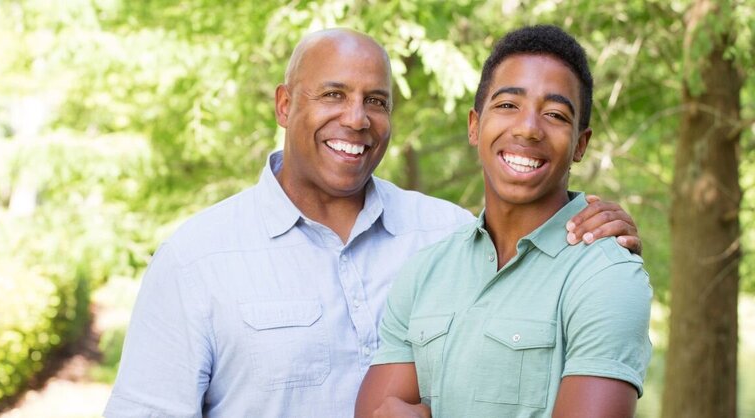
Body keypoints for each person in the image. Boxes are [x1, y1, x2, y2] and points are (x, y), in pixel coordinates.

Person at [104, 28, 642, 418]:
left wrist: (601, 241)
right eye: (334, 94)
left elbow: (534, 244)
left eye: (376, 101)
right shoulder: (197, 259)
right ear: (286, 105)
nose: (357, 119)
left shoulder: (446, 234)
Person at [355, 25, 652, 418]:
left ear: (580, 144)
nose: (529, 128)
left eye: (555, 114)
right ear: (474, 126)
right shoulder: (426, 270)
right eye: (509, 105)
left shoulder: (605, 275)